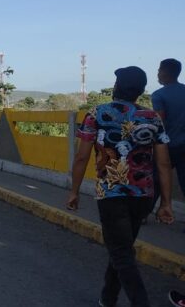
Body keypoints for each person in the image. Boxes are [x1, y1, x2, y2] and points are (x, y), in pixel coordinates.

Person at [67, 66, 174, 307]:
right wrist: (166, 202)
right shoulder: (152, 117)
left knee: (121, 253)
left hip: (112, 193)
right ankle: (108, 298)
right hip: (144, 194)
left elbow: (82, 157)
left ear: (116, 88)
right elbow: (164, 163)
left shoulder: (97, 113)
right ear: (141, 91)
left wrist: (74, 191)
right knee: (122, 248)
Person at [152, 58, 185, 199]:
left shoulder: (159, 95)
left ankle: (143, 214)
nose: (158, 74)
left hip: (167, 147)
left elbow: (160, 124)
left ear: (164, 72)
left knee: (156, 180)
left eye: (159, 70)